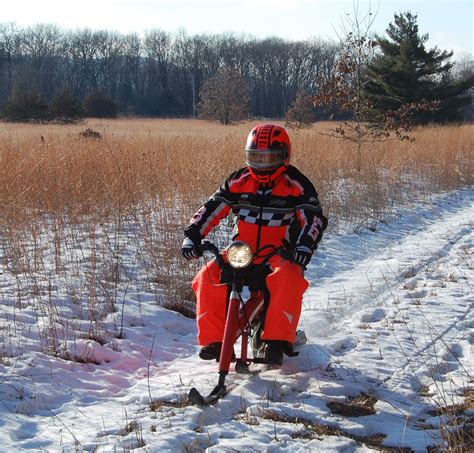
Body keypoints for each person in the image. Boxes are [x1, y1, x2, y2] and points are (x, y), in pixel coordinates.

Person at [181, 124, 327, 365]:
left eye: (270, 157)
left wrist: (304, 246)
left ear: (285, 156)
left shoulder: (296, 184)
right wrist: (193, 235)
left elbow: (314, 219)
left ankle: (278, 341)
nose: (263, 164)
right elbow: (211, 207)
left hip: (280, 254)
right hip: (242, 252)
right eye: (256, 157)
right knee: (207, 276)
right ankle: (216, 341)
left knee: (288, 277)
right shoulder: (239, 180)